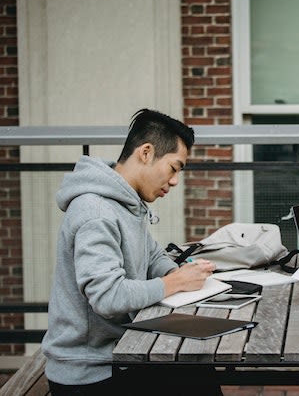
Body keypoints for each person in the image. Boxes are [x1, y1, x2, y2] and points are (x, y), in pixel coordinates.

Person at [41, 109, 223, 396]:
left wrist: (178, 273)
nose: (175, 181)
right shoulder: (97, 212)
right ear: (147, 152)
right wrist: (176, 283)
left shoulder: (127, 203)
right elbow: (108, 297)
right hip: (89, 372)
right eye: (175, 168)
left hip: (119, 354)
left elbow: (151, 256)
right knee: (195, 374)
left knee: (196, 369)